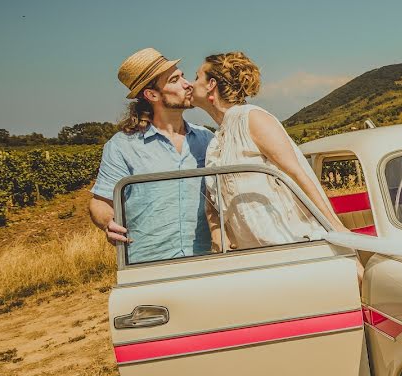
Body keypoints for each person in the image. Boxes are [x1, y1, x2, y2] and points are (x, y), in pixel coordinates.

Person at [189, 51, 351, 251]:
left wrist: (336, 227)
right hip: (253, 255)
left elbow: (298, 173)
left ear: (211, 85)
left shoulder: (252, 118)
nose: (191, 83)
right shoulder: (215, 142)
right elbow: (214, 200)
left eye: (197, 77)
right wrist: (217, 233)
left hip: (292, 244)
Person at [89, 48, 215, 263]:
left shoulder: (207, 138)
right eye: (175, 79)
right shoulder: (121, 146)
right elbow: (100, 202)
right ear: (152, 95)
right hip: (149, 263)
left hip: (207, 258)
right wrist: (108, 223)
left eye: (183, 76)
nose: (187, 84)